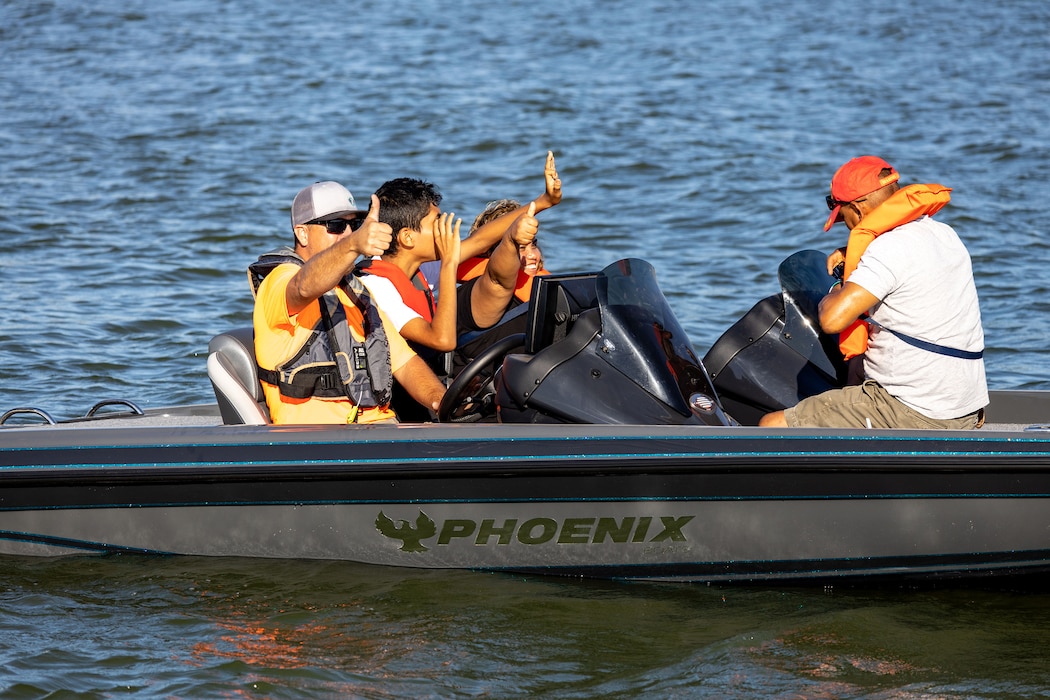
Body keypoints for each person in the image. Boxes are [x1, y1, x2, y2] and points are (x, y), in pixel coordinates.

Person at [759, 156, 988, 430]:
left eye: (844, 218)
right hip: (964, 405)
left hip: (916, 409)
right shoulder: (944, 234)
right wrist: (855, 259)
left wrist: (838, 286)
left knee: (772, 425)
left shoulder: (889, 249)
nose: (847, 227)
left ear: (857, 209)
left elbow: (833, 319)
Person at [249, 181, 446, 425]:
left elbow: (404, 362)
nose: (348, 233)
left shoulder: (356, 292)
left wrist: (443, 402)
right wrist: (353, 245)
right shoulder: (280, 280)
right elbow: (302, 287)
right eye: (336, 225)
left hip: (379, 430)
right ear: (302, 233)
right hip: (317, 441)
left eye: (354, 225)